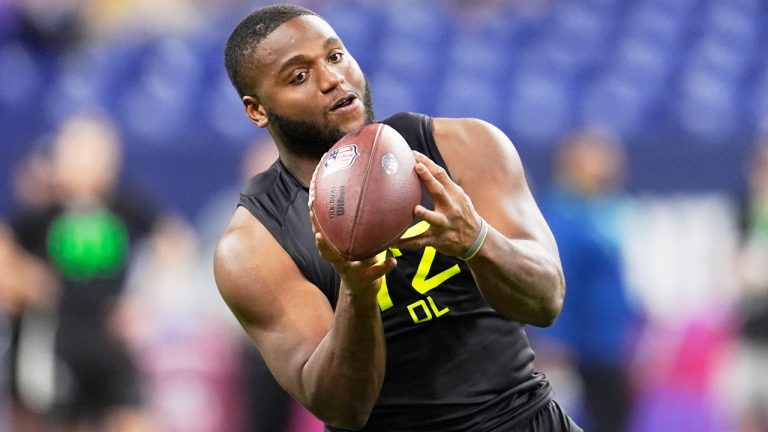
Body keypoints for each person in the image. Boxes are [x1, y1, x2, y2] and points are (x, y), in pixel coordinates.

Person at [214, 4, 578, 431]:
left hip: (525, 419)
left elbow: (546, 300)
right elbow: (342, 408)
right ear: (257, 110)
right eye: (299, 76)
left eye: (335, 56)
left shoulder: (464, 146)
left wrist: (476, 240)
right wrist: (357, 291)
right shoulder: (254, 245)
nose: (333, 78)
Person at [9, 113, 159, 432]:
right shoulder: (45, 212)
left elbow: (170, 241)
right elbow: (6, 244)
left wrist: (141, 300)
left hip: (111, 339)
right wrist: (26, 280)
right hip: (62, 341)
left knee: (134, 418)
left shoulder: (123, 206)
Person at [532, 128, 636, 432]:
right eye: (598, 155)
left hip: (609, 342)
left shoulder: (610, 209)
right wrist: (553, 338)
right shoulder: (558, 214)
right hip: (572, 346)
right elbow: (554, 278)